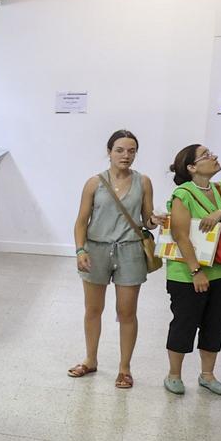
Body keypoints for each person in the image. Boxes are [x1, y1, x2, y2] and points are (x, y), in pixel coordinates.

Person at [70, 130, 155, 389]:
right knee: (93, 309)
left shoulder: (143, 182)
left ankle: (124, 368)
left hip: (130, 251)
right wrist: (80, 250)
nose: (125, 155)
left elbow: (147, 217)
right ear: (109, 152)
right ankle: (90, 359)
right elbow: (81, 221)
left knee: (127, 311)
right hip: (96, 249)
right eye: (120, 150)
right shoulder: (94, 183)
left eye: (131, 151)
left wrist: (156, 220)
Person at [162, 143, 221, 396]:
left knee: (215, 323)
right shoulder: (183, 194)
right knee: (184, 323)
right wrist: (195, 271)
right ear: (191, 167)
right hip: (188, 273)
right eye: (206, 155)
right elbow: (180, 235)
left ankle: (208, 375)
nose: (214, 157)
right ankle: (174, 374)